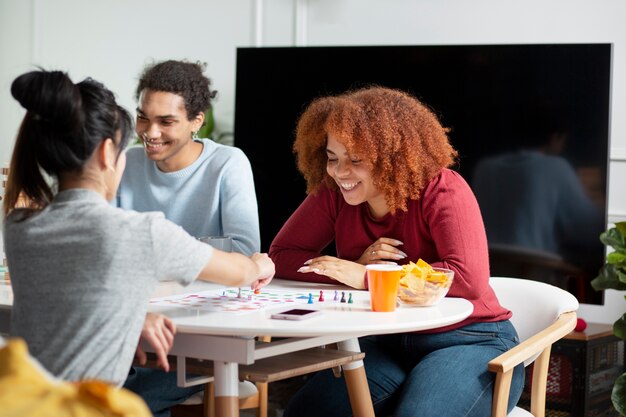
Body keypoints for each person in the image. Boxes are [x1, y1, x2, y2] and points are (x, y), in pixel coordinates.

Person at [2, 70, 275, 416]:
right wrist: (260, 265)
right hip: (84, 404)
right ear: (106, 154)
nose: (149, 135)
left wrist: (129, 313)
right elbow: (240, 271)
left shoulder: (18, 226)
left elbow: (84, 281)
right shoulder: (141, 232)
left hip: (22, 398)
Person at [269, 86, 524, 417]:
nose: (339, 172)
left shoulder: (442, 189)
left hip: (468, 340)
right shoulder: (333, 193)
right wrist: (350, 266)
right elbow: (283, 254)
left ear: (392, 158)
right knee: (305, 413)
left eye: (356, 160)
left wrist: (368, 277)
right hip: (383, 342)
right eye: (333, 158)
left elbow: (467, 277)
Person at [116, 59, 259, 255]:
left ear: (196, 122)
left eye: (166, 122)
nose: (150, 132)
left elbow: (245, 252)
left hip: (205, 286)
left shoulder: (228, 164)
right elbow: (106, 242)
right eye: (143, 118)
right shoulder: (127, 162)